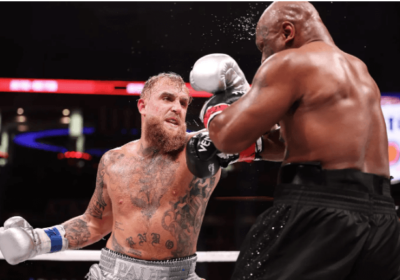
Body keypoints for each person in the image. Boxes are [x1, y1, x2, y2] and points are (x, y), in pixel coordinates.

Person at [190, 1, 400, 280]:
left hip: (318, 210)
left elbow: (227, 137)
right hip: (382, 219)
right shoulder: (359, 70)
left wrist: (217, 109)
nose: (263, 58)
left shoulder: (290, 62)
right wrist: (258, 148)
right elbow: (310, 145)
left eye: (263, 46)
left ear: (287, 31)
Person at [0, 72, 227, 280]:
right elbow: (94, 223)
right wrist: (38, 241)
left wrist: (236, 91)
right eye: (167, 98)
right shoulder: (114, 160)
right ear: (143, 106)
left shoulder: (201, 149)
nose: (177, 107)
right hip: (114, 272)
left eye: (183, 102)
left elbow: (240, 131)